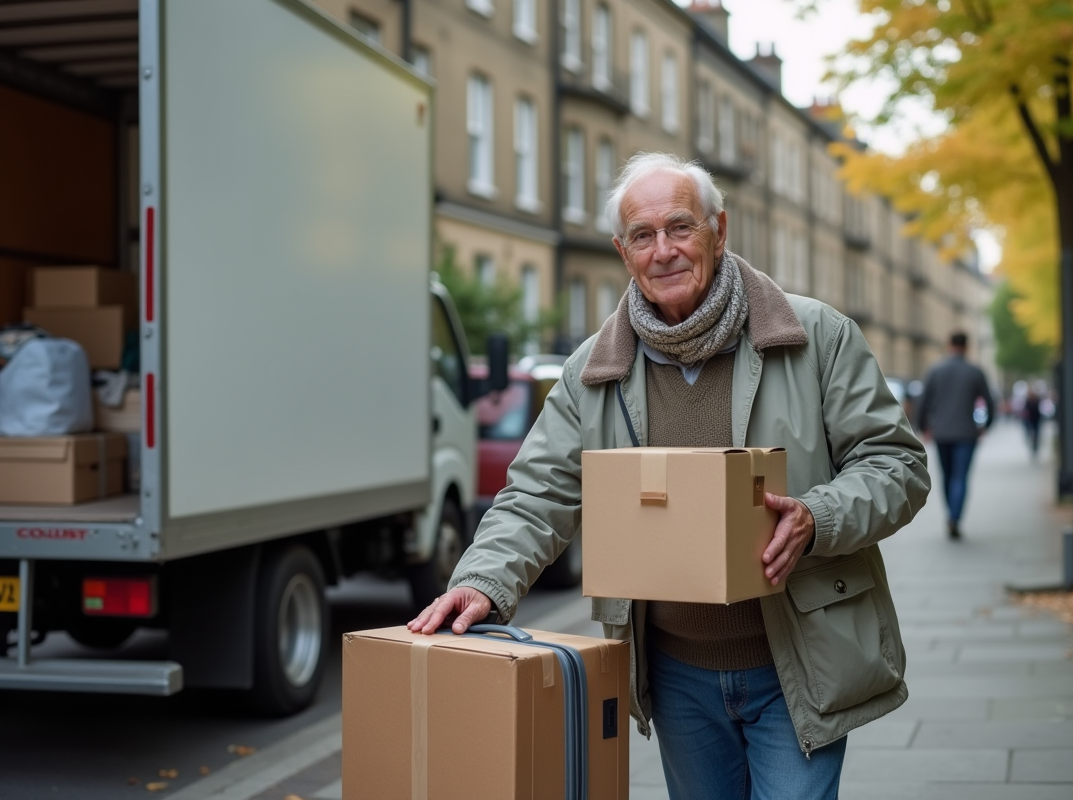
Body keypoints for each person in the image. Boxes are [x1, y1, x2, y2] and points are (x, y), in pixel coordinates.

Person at [408, 153, 930, 800]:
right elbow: (537, 494)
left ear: (719, 230)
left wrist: (817, 518)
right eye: (643, 236)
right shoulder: (591, 373)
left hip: (799, 657)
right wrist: (482, 580)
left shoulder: (815, 336)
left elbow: (897, 464)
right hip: (676, 672)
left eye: (680, 228)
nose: (664, 251)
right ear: (622, 253)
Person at [917, 331, 995, 539]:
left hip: (941, 433)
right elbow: (989, 402)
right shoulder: (975, 372)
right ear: (967, 347)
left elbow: (923, 403)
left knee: (947, 476)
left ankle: (950, 514)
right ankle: (955, 517)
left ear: (948, 344)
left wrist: (923, 427)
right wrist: (986, 425)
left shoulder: (935, 370)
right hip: (967, 433)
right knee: (960, 477)